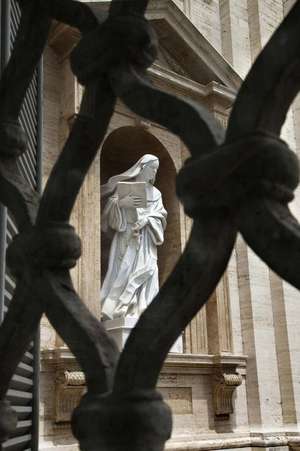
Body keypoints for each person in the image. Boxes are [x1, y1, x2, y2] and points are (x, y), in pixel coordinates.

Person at [100, 154, 167, 320]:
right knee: (124, 269)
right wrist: (117, 203)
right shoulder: (126, 187)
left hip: (147, 237)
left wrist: (147, 219)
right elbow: (109, 217)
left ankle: (141, 308)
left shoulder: (156, 193)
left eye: (156, 170)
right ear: (142, 167)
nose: (154, 172)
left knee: (148, 269)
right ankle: (119, 307)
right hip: (127, 235)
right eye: (152, 168)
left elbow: (161, 216)